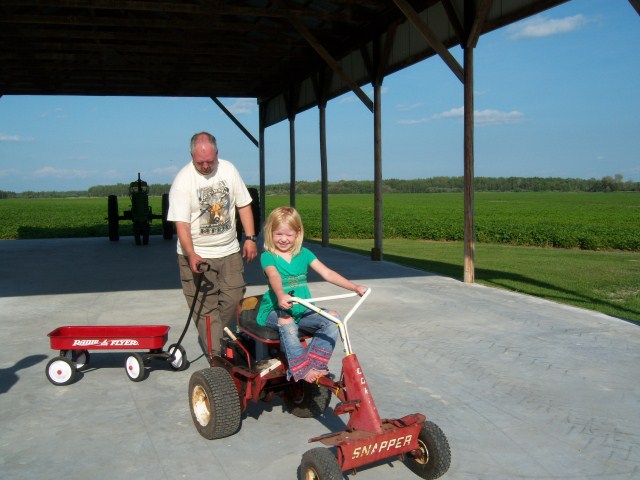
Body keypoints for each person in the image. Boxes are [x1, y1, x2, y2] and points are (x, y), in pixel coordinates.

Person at [168, 131, 258, 354]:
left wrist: (250, 238)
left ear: (217, 153)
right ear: (191, 156)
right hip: (199, 254)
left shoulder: (228, 169)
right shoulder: (182, 181)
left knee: (234, 300)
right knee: (205, 310)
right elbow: (182, 225)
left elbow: (244, 204)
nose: (206, 166)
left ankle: (223, 341)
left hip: (229, 252)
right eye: (200, 162)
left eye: (210, 161)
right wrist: (191, 254)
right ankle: (218, 358)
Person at [256, 206, 367, 383]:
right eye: (278, 234)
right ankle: (301, 369)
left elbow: (328, 273)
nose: (283, 239)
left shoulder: (304, 254)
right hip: (275, 309)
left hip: (303, 308)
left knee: (333, 319)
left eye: (288, 235)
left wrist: (353, 287)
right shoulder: (268, 256)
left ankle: (315, 364)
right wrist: (280, 294)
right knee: (287, 322)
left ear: (297, 233)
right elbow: (274, 275)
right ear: (270, 232)